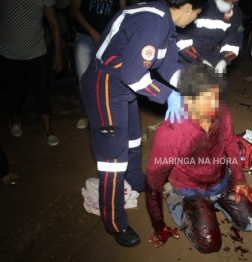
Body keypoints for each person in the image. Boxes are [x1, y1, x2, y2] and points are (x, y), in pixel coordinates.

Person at [80, 0, 208, 248]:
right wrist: (168, 95)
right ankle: (115, 222)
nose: (194, 20)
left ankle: (137, 181)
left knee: (133, 140)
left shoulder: (165, 21)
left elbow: (169, 65)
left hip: (123, 87)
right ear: (188, 7)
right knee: (112, 161)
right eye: (197, 15)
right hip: (105, 86)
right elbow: (133, 75)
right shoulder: (154, 22)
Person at [145, 62, 252, 253]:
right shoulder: (170, 132)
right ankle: (174, 198)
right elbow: (152, 182)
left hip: (220, 179)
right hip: (190, 188)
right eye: (205, 99)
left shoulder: (222, 111)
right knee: (210, 244)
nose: (214, 105)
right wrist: (158, 224)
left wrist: (239, 179)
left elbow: (230, 143)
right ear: (187, 99)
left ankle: (214, 202)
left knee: (250, 223)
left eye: (216, 95)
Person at [0, 0, 63, 145]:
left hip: (36, 52)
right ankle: (14, 118)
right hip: (8, 54)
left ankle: (47, 130)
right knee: (16, 92)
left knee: (42, 92)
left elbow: (54, 24)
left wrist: (58, 54)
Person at [71, 0, 126, 129]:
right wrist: (92, 32)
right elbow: (74, 9)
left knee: (109, 79)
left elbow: (123, 10)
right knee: (84, 79)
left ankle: (108, 114)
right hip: (85, 37)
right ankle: (87, 112)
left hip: (110, 38)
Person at [176, 0, 243, 73]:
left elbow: (234, 40)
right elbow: (181, 38)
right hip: (184, 57)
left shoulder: (235, 13)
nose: (230, 5)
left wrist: (224, 60)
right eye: (227, 1)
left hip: (212, 57)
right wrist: (200, 60)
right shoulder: (198, 5)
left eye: (233, 3)